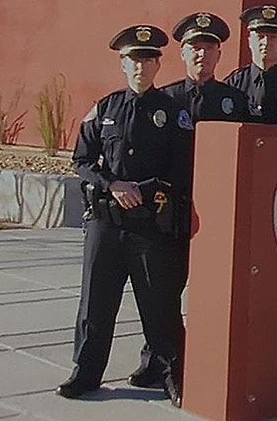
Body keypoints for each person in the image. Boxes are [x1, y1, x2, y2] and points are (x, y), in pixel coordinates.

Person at [58, 25, 191, 407]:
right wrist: (112, 184)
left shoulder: (172, 113)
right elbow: (81, 160)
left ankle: (171, 375)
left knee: (159, 305)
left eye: (148, 60)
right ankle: (85, 373)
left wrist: (143, 190)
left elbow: (181, 169)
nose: (141, 67)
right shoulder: (105, 108)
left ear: (157, 65)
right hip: (105, 222)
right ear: (123, 63)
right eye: (134, 59)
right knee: (95, 302)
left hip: (149, 224)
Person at [126, 12, 247, 392]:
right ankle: (158, 360)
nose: (202, 54)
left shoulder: (233, 100)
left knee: (210, 292)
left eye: (209, 48)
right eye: (195, 47)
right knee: (163, 290)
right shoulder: (165, 99)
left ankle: (197, 360)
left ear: (218, 54)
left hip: (218, 213)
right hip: (172, 210)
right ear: (181, 54)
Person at [223, 4, 277, 125]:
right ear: (249, 42)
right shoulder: (234, 84)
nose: (266, 42)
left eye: (273, 37)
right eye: (260, 36)